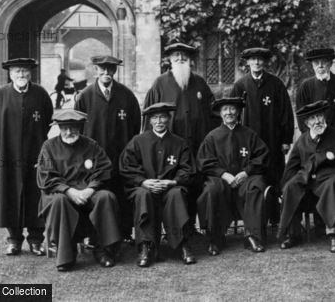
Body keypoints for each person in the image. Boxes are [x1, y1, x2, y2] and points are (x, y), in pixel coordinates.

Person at [0, 57, 54, 256]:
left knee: (35, 195)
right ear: (10, 74)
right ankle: (14, 240)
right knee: (10, 195)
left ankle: (37, 240)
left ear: (31, 73)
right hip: (8, 155)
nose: (21, 75)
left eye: (25, 71)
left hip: (35, 155)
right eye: (17, 71)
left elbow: (47, 120)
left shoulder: (41, 94)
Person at [37, 109, 121, 271]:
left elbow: (103, 170)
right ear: (59, 128)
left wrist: (90, 190)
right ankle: (67, 255)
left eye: (74, 128)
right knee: (59, 201)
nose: (69, 132)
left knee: (106, 197)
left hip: (88, 191)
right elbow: (46, 176)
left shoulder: (91, 145)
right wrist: (69, 191)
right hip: (60, 194)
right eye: (65, 128)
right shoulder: (48, 147)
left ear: (80, 128)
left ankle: (103, 249)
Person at [119, 102, 198, 267]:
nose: (159, 121)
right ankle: (145, 246)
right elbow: (127, 167)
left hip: (171, 188)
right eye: (155, 118)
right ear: (150, 121)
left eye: (162, 117)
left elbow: (188, 169)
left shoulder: (179, 143)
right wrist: (144, 181)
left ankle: (182, 244)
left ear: (169, 119)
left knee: (176, 194)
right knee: (142, 195)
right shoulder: (138, 141)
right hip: (145, 188)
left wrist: (172, 181)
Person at [74, 55, 141, 241]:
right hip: (93, 160)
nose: (106, 73)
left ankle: (125, 232)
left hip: (121, 157)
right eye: (102, 69)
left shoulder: (126, 95)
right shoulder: (85, 96)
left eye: (110, 70)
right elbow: (77, 129)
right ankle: (93, 236)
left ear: (115, 71)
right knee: (96, 195)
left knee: (121, 194)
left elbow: (136, 126)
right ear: (96, 70)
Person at [278, 100, 335, 253]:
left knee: (333, 184)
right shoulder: (302, 140)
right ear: (307, 123)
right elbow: (291, 167)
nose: (317, 121)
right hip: (306, 180)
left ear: (325, 118)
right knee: (290, 187)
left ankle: (334, 235)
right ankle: (292, 234)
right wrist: (283, 189)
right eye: (313, 119)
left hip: (328, 179)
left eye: (320, 116)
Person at [196, 96, 270, 256]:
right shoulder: (212, 137)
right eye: (225, 109)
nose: (229, 112)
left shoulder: (249, 134)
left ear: (238, 112)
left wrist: (246, 172)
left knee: (256, 185)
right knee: (212, 189)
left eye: (232, 109)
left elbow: (262, 156)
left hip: (246, 178)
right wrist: (224, 174)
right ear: (220, 113)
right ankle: (215, 237)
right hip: (222, 179)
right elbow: (204, 162)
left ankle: (253, 235)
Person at [229, 47, 294, 190]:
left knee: (274, 174)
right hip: (248, 139)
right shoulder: (240, 85)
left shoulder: (276, 84)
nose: (257, 62)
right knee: (251, 176)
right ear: (248, 62)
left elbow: (286, 112)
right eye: (253, 59)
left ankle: (275, 205)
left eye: (260, 59)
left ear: (264, 62)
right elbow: (232, 113)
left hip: (272, 137)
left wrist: (286, 140)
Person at [143, 42, 219, 155]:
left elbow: (213, 111)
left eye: (184, 55)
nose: (180, 58)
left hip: (197, 140)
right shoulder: (160, 83)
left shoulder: (200, 82)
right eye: (176, 55)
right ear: (170, 59)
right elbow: (149, 116)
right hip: (170, 141)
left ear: (189, 59)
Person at [295, 48, 335, 132]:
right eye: (316, 63)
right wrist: (309, 136)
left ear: (330, 63)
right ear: (312, 65)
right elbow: (301, 115)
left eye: (324, 62)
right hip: (316, 137)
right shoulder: (306, 86)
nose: (320, 65)